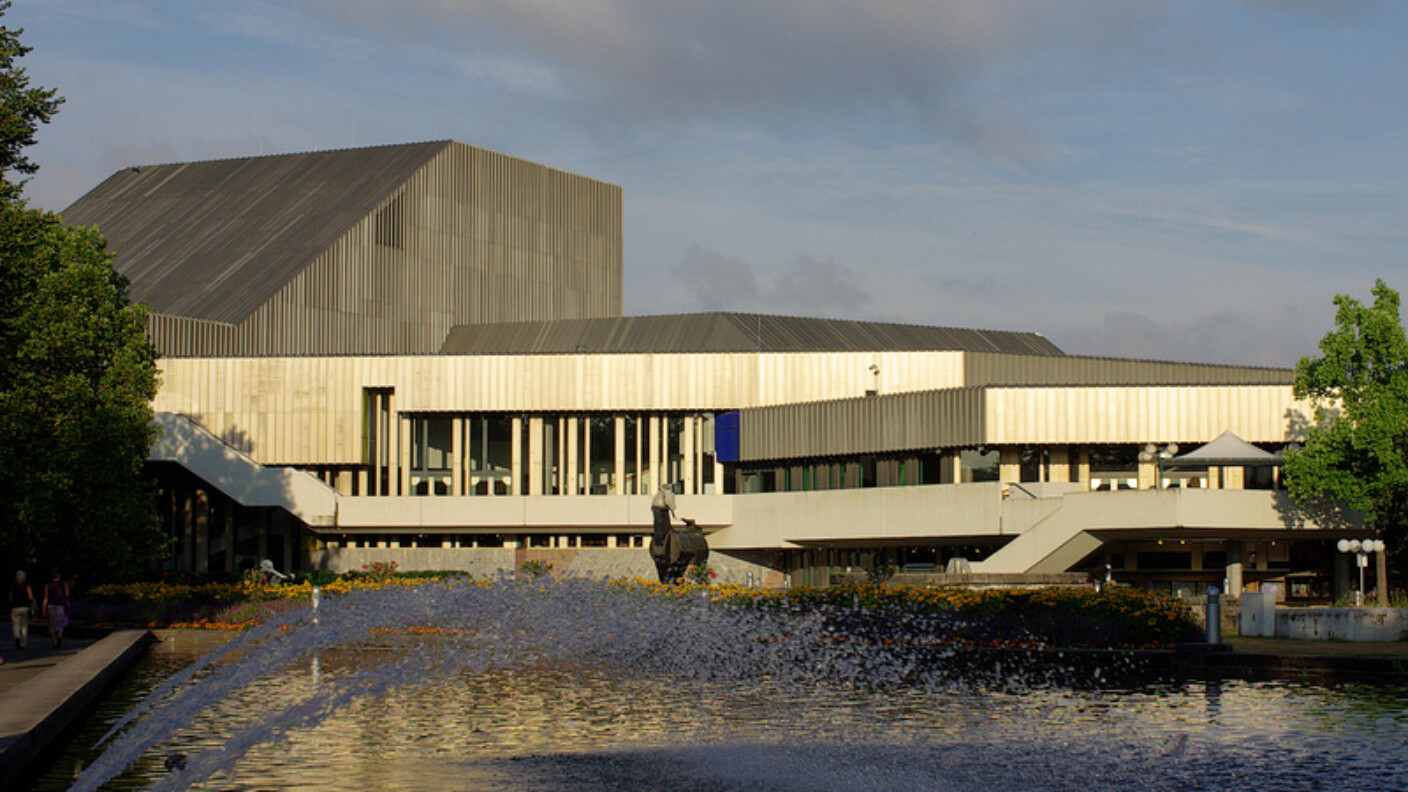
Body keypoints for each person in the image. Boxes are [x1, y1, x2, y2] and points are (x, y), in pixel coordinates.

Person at [649, 484, 677, 582]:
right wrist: (673, 511)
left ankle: (659, 539)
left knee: (658, 525)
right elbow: (670, 502)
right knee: (664, 525)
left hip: (655, 508)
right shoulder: (669, 493)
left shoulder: (659, 493)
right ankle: (663, 541)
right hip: (661, 508)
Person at [42, 569, 69, 649]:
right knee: (60, 622)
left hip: (51, 605)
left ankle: (54, 641)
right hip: (60, 605)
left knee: (52, 624)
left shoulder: (48, 585)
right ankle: (60, 635)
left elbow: (45, 597)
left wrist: (43, 609)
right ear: (59, 576)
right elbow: (67, 594)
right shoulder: (63, 584)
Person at [8, 570, 34, 650]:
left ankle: (17, 636)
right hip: (25, 607)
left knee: (16, 624)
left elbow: (10, 598)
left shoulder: (12, 587)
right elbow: (30, 597)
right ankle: (23, 643)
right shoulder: (27, 586)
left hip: (15, 607)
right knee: (24, 625)